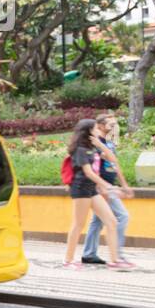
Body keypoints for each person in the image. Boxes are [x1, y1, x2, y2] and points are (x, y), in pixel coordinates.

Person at [62, 118, 134, 270]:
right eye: (95, 128)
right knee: (78, 224)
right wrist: (109, 187)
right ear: (88, 131)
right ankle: (68, 261)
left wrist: (100, 144)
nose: (97, 131)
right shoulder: (80, 149)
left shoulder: (92, 147)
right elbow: (88, 172)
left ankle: (114, 261)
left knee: (112, 221)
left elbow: (112, 158)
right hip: (81, 188)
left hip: (92, 189)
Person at [81, 112, 132, 264]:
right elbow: (92, 167)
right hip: (102, 186)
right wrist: (101, 187)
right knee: (122, 216)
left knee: (98, 220)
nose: (114, 126)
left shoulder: (107, 143)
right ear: (101, 125)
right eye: (111, 124)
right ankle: (117, 255)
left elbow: (114, 163)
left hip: (109, 185)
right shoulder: (95, 143)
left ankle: (89, 253)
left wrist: (123, 184)